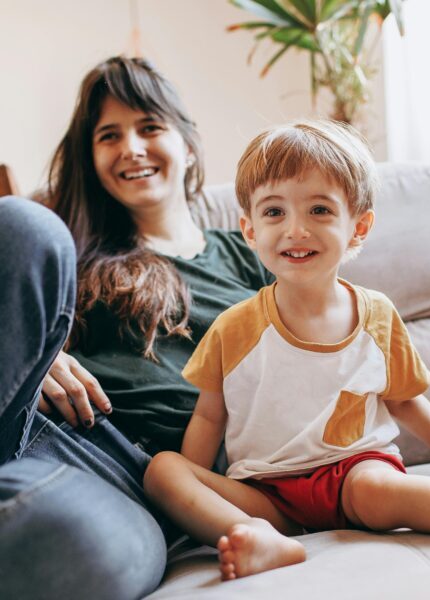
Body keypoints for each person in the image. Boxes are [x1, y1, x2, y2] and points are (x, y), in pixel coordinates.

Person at [143, 120, 430, 582]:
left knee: (382, 488)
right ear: (249, 229)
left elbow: (403, 400)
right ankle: (263, 540)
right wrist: (200, 494)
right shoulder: (232, 328)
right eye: (274, 212)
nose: (295, 229)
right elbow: (208, 417)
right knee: (163, 470)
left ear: (358, 226)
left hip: (354, 473)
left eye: (319, 210)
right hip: (264, 492)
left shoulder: (377, 316)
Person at [0, 56, 274, 599]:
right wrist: (39, 355)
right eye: (109, 135)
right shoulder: (74, 255)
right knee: (21, 224)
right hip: (46, 426)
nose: (131, 147)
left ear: (189, 145)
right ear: (92, 159)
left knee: (67, 538)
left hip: (143, 486)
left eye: (149, 126)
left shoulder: (253, 257)